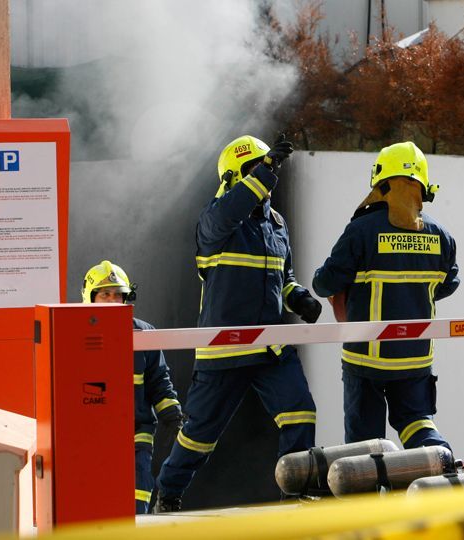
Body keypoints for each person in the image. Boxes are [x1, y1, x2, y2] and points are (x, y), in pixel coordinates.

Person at [154, 135, 321, 512]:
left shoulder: (276, 224)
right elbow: (233, 208)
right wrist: (264, 171)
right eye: (256, 169)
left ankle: (297, 494)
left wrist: (299, 297)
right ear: (232, 177)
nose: (268, 177)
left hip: (270, 349)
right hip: (224, 351)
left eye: (269, 167)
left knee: (301, 413)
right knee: (199, 435)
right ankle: (168, 494)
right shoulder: (217, 221)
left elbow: (285, 276)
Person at [312, 141, 459, 452]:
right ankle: (443, 465)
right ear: (422, 185)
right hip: (416, 358)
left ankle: (371, 498)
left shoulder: (361, 231)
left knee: (365, 447)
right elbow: (447, 284)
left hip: (366, 359)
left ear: (381, 182)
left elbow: (324, 284)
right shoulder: (441, 236)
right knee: (417, 423)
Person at [81, 260, 182, 514]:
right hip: (92, 433)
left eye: (119, 295)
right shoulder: (73, 332)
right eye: (105, 295)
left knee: (138, 496)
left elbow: (159, 379)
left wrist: (171, 413)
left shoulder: (143, 332)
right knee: (94, 499)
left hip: (136, 432)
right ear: (90, 297)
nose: (114, 301)